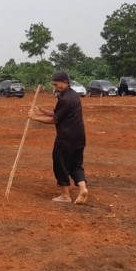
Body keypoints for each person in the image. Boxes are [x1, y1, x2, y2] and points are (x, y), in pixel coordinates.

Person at [28, 70, 89, 204]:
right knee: (76, 165)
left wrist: (35, 117)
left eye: (57, 85)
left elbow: (55, 119)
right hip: (79, 137)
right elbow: (58, 113)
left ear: (65, 82)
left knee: (60, 164)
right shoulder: (73, 96)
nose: (55, 87)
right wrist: (42, 111)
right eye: (54, 85)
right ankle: (83, 188)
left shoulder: (65, 98)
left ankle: (65, 196)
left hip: (66, 138)